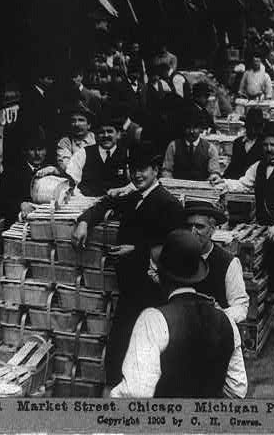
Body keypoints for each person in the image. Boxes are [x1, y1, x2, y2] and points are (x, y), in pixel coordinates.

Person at [72, 142, 184, 389]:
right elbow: (105, 204)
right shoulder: (135, 197)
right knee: (120, 350)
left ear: (156, 170)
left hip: (153, 294)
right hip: (131, 290)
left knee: (140, 354)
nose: (137, 174)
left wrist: (136, 251)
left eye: (143, 169)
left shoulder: (169, 205)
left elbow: (175, 248)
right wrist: (84, 222)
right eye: (133, 169)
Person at [110, 229, 247, 398]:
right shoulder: (226, 320)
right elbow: (237, 389)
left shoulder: (153, 320)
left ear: (161, 276)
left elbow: (136, 392)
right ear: (198, 276)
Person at [211, 120, 274, 332]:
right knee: (267, 259)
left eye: (273, 145)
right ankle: (266, 296)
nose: (269, 149)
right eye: (265, 145)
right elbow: (243, 183)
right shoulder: (258, 167)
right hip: (269, 223)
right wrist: (223, 183)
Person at [182, 201, 248, 323]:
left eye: (200, 227)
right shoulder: (177, 257)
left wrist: (218, 315)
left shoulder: (228, 262)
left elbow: (241, 307)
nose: (192, 232)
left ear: (212, 230)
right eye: (188, 226)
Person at [65, 111, 129, 196]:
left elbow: (135, 184)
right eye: (101, 132)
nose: (105, 135)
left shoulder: (127, 154)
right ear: (96, 135)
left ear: (118, 134)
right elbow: (71, 181)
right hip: (88, 204)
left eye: (109, 131)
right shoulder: (83, 153)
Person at [0, 125, 50, 225]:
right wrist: (20, 205)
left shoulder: (48, 170)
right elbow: (2, 203)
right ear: (24, 151)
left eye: (41, 149)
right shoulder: (11, 173)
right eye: (32, 150)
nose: (37, 154)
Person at [162, 108, 221, 181]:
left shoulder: (210, 148)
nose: (191, 131)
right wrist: (170, 181)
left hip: (201, 188)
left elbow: (214, 171)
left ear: (201, 129)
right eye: (188, 127)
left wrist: (214, 176)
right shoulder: (173, 146)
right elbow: (167, 170)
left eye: (195, 128)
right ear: (183, 128)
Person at [223, 108, 267, 179]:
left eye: (256, 126)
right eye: (250, 126)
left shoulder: (264, 144)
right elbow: (233, 165)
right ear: (246, 126)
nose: (253, 129)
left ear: (260, 128)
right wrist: (223, 179)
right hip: (237, 182)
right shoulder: (238, 142)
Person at [56, 104, 96, 172]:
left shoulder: (96, 139)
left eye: (81, 120)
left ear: (89, 125)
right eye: (73, 121)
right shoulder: (65, 142)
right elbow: (66, 166)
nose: (76, 124)